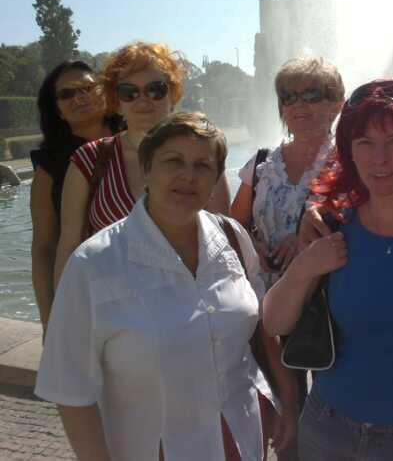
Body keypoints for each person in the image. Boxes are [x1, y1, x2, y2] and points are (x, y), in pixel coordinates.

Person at [36, 112, 299, 461]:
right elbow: (71, 389)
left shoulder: (234, 238)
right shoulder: (93, 264)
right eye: (173, 161)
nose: (188, 175)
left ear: (215, 178)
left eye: (203, 166)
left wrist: (287, 400)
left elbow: (260, 326)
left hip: (242, 437)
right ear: (146, 169)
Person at [264, 79, 393, 460]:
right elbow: (275, 321)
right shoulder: (332, 224)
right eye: (364, 142)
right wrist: (305, 266)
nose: (379, 159)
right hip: (326, 430)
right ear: (349, 150)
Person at [53, 42, 230, 287]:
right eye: (129, 92)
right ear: (116, 100)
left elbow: (221, 235)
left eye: (155, 89)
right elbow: (69, 246)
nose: (143, 99)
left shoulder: (203, 155)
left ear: (172, 93)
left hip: (189, 298)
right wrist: (64, 308)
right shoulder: (89, 160)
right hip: (114, 302)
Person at [231, 56, 344, 285]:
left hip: (319, 293)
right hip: (258, 292)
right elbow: (234, 225)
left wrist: (307, 240)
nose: (298, 104)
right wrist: (251, 245)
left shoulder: (349, 165)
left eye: (312, 95)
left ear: (336, 105)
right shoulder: (261, 165)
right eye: (289, 97)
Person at [30, 60, 121, 335]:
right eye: (67, 93)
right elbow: (44, 248)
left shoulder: (137, 140)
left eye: (87, 88)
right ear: (56, 110)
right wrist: (49, 321)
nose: (79, 97)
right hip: (90, 288)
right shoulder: (50, 168)